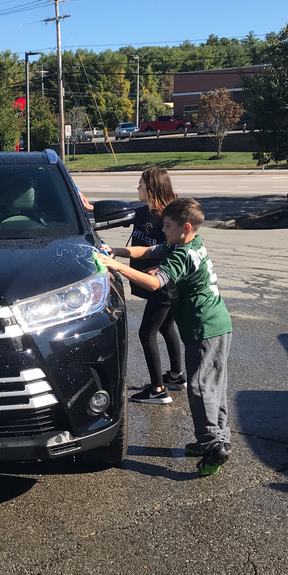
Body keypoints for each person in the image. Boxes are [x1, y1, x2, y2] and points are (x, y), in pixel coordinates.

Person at [98, 197, 232, 477]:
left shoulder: (182, 255)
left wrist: (116, 267)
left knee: (200, 388)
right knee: (213, 385)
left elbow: (154, 282)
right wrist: (115, 251)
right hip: (218, 324)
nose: (163, 230)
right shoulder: (186, 243)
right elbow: (147, 251)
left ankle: (212, 446)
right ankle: (216, 437)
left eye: (167, 226)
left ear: (185, 227)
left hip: (204, 328)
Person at [102, 167, 184, 405]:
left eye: (140, 185)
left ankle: (158, 389)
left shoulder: (168, 219)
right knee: (166, 328)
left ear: (151, 189)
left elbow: (178, 248)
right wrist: (89, 208)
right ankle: (176, 376)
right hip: (158, 285)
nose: (137, 188)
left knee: (146, 332)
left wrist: (161, 269)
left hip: (160, 284)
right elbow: (118, 214)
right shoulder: (144, 210)